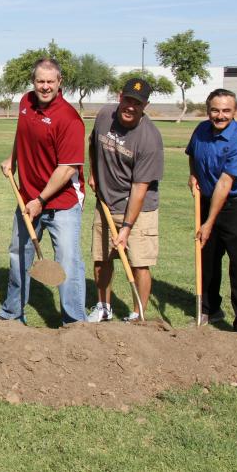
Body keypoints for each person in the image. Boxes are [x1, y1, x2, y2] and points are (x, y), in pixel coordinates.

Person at [0, 57, 87, 324]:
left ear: (59, 82)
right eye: (40, 81)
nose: (45, 87)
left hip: (62, 203)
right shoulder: (25, 103)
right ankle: (12, 314)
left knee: (67, 262)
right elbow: (23, 135)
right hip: (27, 198)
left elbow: (67, 169)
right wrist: (14, 159)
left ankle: (75, 322)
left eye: (50, 82)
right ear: (33, 82)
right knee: (19, 253)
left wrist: (41, 199)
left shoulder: (69, 119)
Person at [86, 78, 164, 322]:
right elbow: (93, 144)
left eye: (137, 103)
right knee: (101, 259)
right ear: (120, 97)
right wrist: (93, 174)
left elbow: (140, 189)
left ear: (145, 106)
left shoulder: (149, 139)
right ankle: (103, 307)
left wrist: (127, 228)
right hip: (106, 203)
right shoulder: (104, 116)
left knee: (139, 263)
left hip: (139, 211)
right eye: (128, 100)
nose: (131, 106)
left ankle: (138, 314)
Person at [186, 88, 237, 336]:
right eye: (215, 110)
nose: (220, 115)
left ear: (235, 111)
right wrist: (193, 173)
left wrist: (209, 223)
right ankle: (209, 309)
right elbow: (192, 155)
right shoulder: (201, 131)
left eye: (226, 110)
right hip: (206, 201)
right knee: (207, 260)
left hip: (236, 207)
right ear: (207, 111)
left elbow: (225, 184)